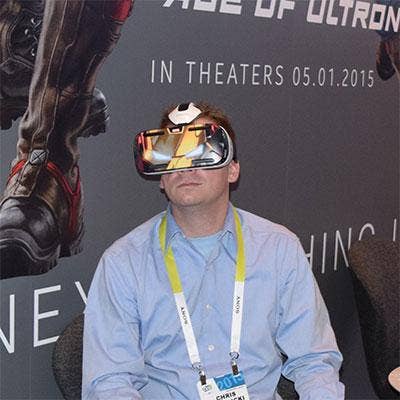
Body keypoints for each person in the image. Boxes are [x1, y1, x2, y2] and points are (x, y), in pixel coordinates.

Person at [82, 101, 345, 400]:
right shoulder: (123, 263)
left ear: (232, 170)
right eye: (171, 153)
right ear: (162, 177)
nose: (186, 166)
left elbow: (314, 361)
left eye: (202, 150)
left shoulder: (278, 248)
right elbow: (110, 384)